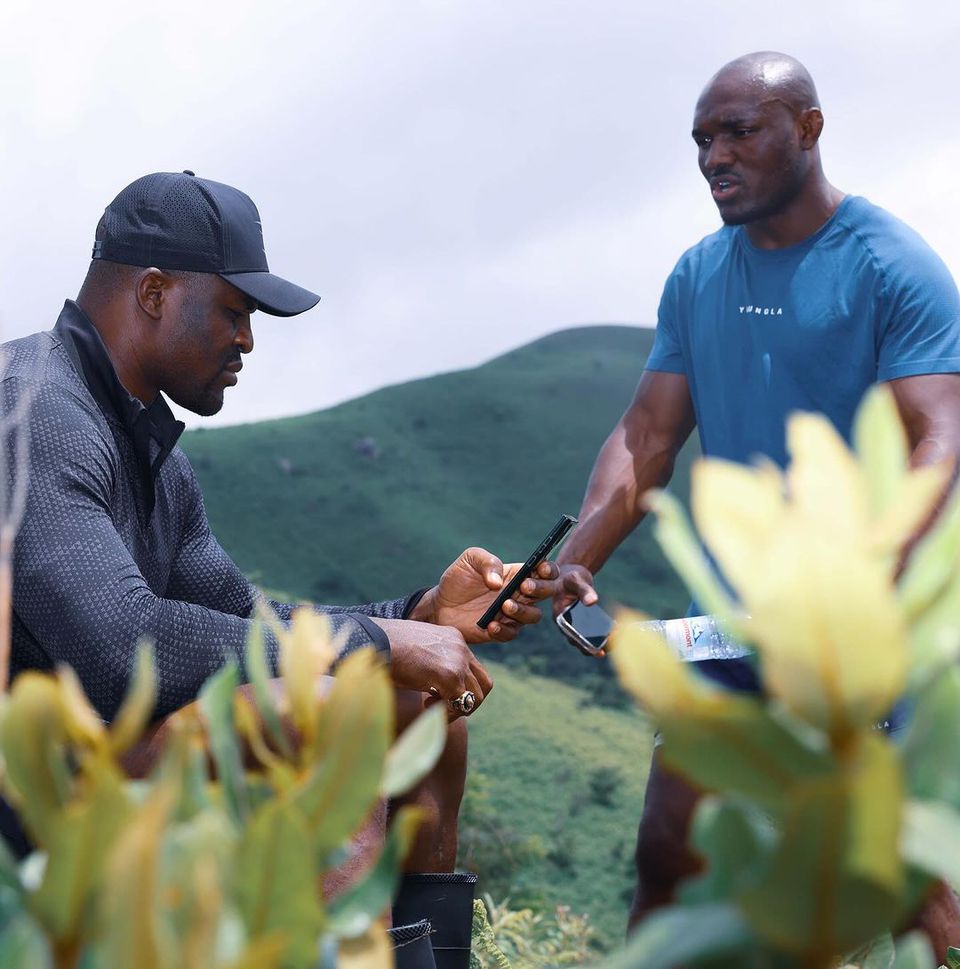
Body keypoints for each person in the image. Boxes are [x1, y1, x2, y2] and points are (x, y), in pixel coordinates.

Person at [0, 171, 590, 897]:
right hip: (34, 788)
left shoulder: (156, 454)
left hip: (117, 757)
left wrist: (418, 614)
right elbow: (124, 648)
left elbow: (247, 619)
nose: (247, 339)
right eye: (232, 311)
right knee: (333, 711)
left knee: (422, 718)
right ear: (154, 294)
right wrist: (380, 648)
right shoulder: (34, 409)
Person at [553, 51, 960, 953]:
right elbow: (647, 435)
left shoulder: (896, 267)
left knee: (906, 885)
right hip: (729, 630)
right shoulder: (698, 275)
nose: (713, 157)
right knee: (671, 858)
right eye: (702, 139)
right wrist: (581, 551)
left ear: (808, 129)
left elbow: (941, 438)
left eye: (739, 130)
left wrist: (864, 592)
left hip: (867, 636)